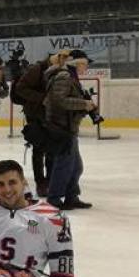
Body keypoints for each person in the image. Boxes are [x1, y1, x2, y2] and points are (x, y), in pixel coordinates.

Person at [12, 50, 68, 197]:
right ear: (56, 57)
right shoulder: (37, 69)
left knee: (51, 150)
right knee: (38, 150)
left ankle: (50, 180)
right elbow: (20, 88)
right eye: (63, 58)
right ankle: (41, 183)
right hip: (35, 114)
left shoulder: (61, 70)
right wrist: (41, 98)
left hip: (52, 115)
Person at [44, 49, 96, 210]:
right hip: (61, 128)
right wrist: (83, 104)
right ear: (77, 63)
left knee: (75, 166)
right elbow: (59, 100)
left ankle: (71, 196)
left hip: (68, 126)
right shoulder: (64, 76)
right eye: (85, 64)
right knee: (64, 165)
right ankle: (54, 198)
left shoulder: (70, 77)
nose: (86, 68)